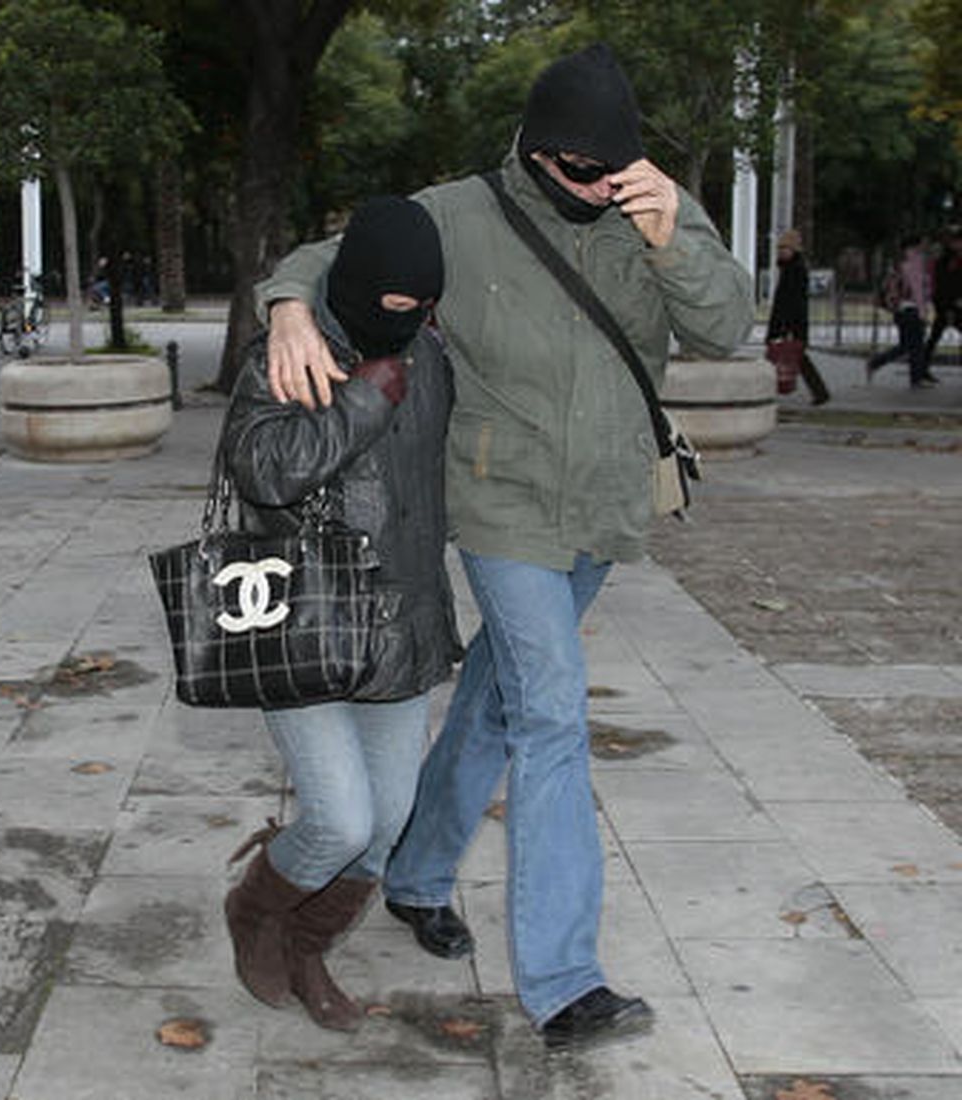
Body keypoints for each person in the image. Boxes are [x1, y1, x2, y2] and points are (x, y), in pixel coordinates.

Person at [256, 43, 752, 1049]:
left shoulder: (653, 204)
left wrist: (672, 242)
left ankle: (417, 872)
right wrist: (286, 306)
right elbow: (336, 252)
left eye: (609, 171)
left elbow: (726, 327)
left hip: (603, 503)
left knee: (495, 691)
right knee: (553, 712)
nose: (594, 189)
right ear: (531, 150)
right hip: (500, 502)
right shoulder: (460, 212)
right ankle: (565, 980)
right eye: (576, 172)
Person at [221, 196, 462, 1032]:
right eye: (395, 307)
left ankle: (307, 946)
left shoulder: (431, 351)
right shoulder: (285, 353)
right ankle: (255, 911)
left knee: (387, 823)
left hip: (399, 626)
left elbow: (431, 491)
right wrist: (360, 401)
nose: (410, 322)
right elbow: (262, 470)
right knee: (339, 818)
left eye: (423, 308)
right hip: (303, 623)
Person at [766, 228, 830, 404]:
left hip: (790, 324)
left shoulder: (795, 270)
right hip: (788, 324)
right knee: (795, 359)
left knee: (781, 358)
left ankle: (820, 393)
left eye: (785, 248)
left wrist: (785, 328)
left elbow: (792, 302)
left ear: (793, 250)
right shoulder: (789, 268)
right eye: (780, 248)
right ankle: (820, 393)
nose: (781, 252)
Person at [867, 234, 938, 388]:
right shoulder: (914, 264)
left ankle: (875, 363)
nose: (924, 248)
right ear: (913, 247)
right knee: (917, 346)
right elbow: (918, 293)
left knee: (906, 346)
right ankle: (916, 380)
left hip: (901, 311)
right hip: (912, 310)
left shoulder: (900, 264)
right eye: (921, 245)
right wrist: (923, 313)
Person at [924, 225, 962, 366]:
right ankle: (920, 368)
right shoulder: (947, 260)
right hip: (946, 303)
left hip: (952, 304)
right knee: (935, 335)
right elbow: (944, 285)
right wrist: (948, 308)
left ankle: (921, 368)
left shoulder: (956, 258)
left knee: (935, 336)